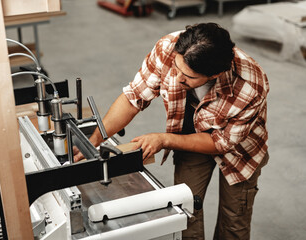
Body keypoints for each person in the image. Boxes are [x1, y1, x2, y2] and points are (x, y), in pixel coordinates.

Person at [74, 22, 269, 240]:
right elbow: (133, 98)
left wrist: (164, 139)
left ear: (216, 74)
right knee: (186, 211)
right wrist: (94, 140)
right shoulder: (168, 49)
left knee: (234, 221)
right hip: (189, 136)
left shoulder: (250, 84)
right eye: (176, 68)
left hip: (240, 151)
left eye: (188, 76)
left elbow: (221, 142)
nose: (176, 78)